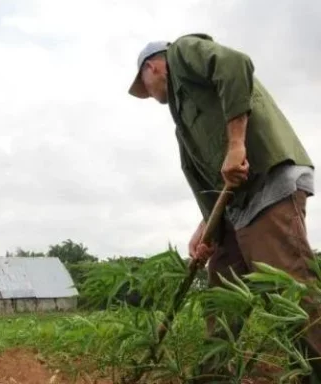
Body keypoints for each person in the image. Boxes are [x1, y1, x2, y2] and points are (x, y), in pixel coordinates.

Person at [128, 33, 321, 382]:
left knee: (289, 289)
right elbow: (209, 183)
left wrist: (236, 144)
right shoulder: (182, 120)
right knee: (222, 287)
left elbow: (235, 64)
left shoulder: (184, 53)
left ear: (151, 67)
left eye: (144, 83)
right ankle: (212, 375)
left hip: (268, 183)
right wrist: (207, 230)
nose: (148, 92)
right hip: (238, 206)